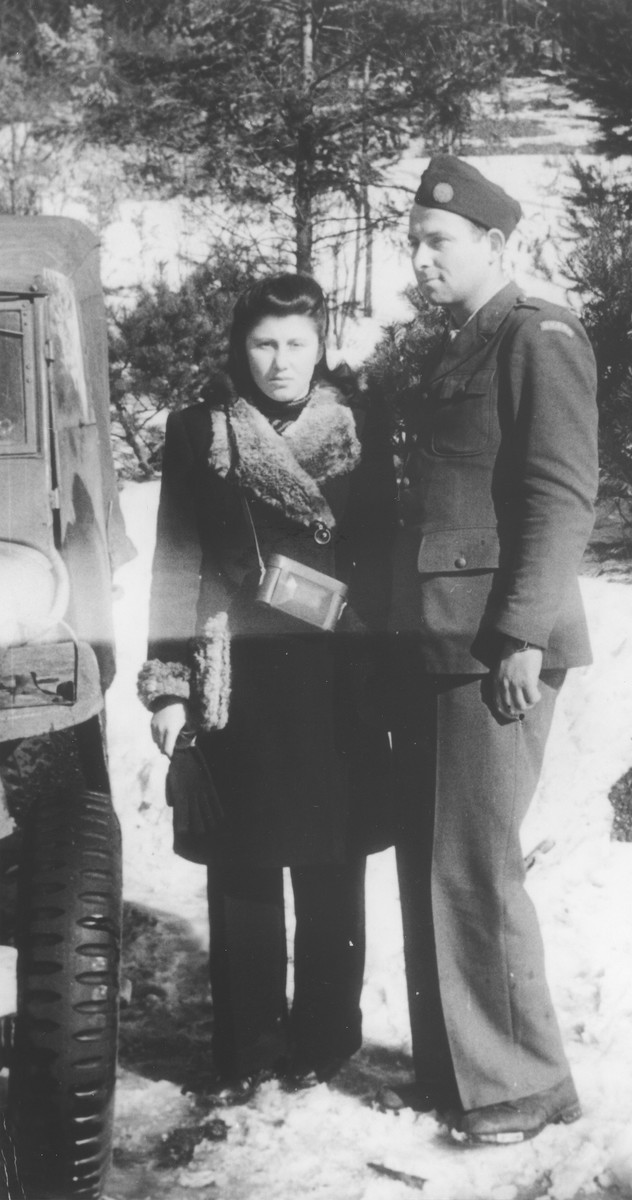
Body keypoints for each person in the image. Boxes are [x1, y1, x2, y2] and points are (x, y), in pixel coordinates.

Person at [138, 273, 394, 1101]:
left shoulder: (363, 430)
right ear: (238, 347)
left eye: (295, 344)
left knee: (332, 865)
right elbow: (177, 562)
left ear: (321, 347)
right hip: (235, 677)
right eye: (262, 344)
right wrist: (169, 684)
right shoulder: (197, 431)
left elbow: (386, 564)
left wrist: (387, 678)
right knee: (242, 869)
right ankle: (246, 1045)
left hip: (336, 679)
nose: (278, 362)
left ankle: (325, 1038)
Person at [386, 155, 599, 1145]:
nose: (420, 258)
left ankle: (524, 1082)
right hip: (439, 641)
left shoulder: (534, 337)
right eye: (415, 243)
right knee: (438, 864)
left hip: (492, 649)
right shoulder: (461, 345)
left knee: (475, 866)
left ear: (495, 244)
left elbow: (558, 499)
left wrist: (520, 634)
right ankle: (462, 1072)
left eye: (438, 242)